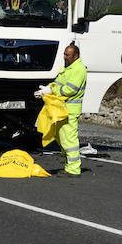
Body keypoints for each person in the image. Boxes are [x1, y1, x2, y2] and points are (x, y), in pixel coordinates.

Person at [35, 43, 88, 177]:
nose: (64, 57)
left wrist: (51, 90)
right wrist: (46, 90)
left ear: (76, 56)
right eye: (64, 54)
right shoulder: (68, 68)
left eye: (67, 55)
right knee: (61, 139)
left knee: (69, 140)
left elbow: (70, 90)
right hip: (62, 110)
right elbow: (58, 83)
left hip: (70, 111)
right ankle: (68, 166)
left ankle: (73, 169)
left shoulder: (78, 69)